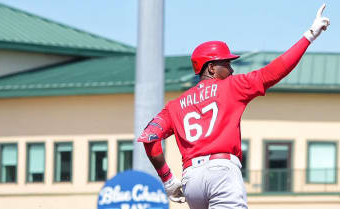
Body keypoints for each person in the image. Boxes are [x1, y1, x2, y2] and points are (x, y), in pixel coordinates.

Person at [137, 4, 330, 209]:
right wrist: (309, 35)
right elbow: (274, 71)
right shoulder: (231, 86)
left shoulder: (174, 105)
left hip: (191, 179)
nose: (231, 68)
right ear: (211, 68)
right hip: (221, 172)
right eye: (226, 63)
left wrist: (167, 179)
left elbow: (150, 137)